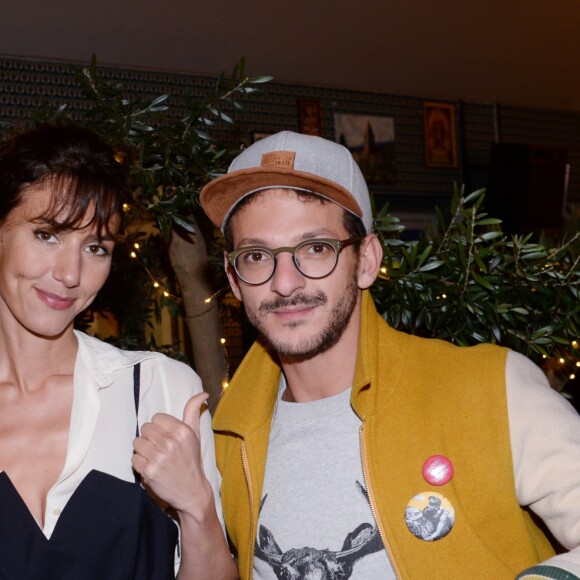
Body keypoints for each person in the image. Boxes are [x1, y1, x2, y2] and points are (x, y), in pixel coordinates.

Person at [199, 130, 580, 579]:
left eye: (316, 248)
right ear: (233, 277)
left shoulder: (491, 388)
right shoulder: (226, 440)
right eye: (257, 256)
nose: (285, 282)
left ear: (365, 260)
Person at [0, 122, 236, 579]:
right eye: (46, 234)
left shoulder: (156, 391)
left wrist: (196, 506)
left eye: (95, 247)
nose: (70, 274)